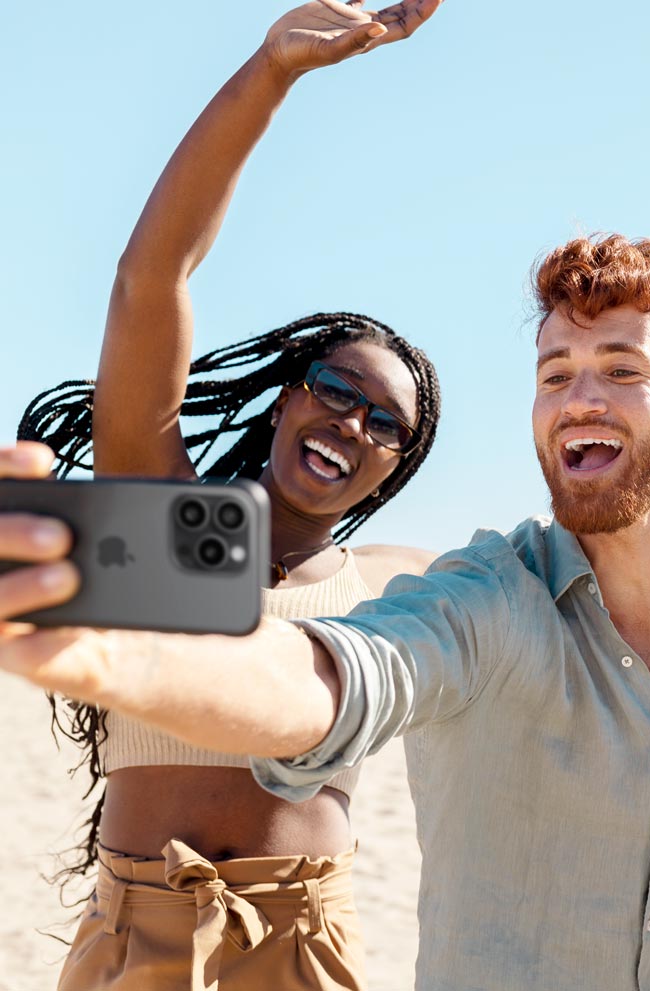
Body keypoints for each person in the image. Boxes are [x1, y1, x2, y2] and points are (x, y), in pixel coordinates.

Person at [0, 232, 650, 991]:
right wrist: (121, 655)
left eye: (623, 370)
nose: (579, 397)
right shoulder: (486, 596)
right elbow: (333, 675)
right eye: (555, 373)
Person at [16, 2, 444, 987]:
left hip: (299, 937)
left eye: (389, 426)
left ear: (398, 466)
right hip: (133, 927)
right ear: (290, 393)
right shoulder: (166, 519)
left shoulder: (398, 579)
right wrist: (269, 74)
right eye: (338, 391)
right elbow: (149, 276)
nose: (353, 426)